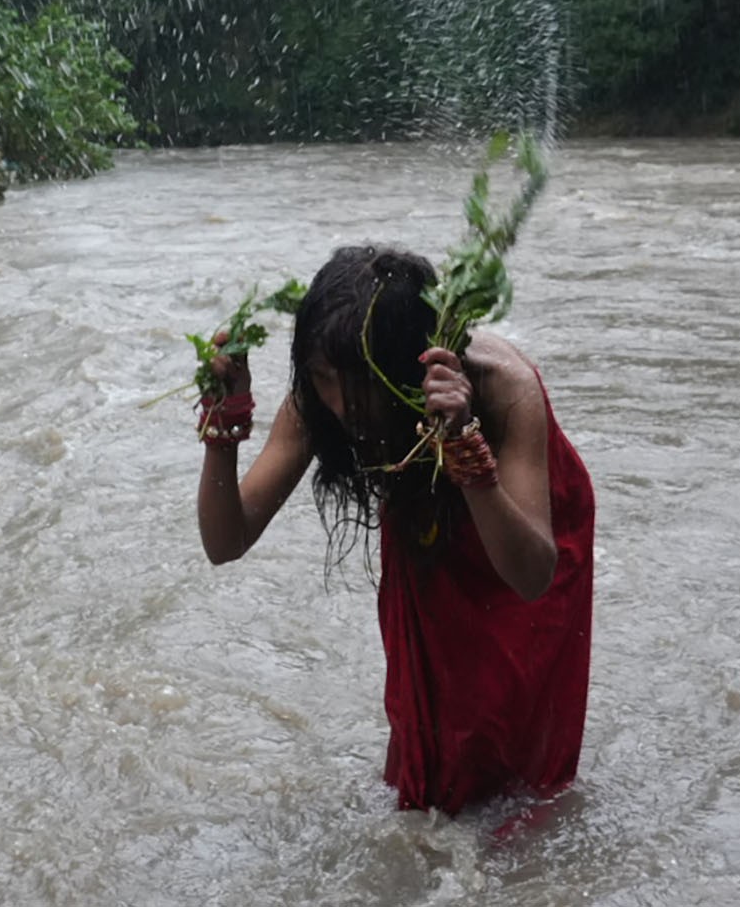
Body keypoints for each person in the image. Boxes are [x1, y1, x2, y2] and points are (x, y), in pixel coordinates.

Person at [195, 245, 594, 814]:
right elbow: (225, 542)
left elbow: (533, 575)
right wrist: (222, 423)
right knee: (425, 716)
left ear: (409, 364)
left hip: (524, 519)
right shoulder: (318, 399)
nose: (341, 404)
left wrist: (464, 446)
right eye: (323, 376)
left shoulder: (505, 389)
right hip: (425, 514)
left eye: (357, 379)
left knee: (518, 723)